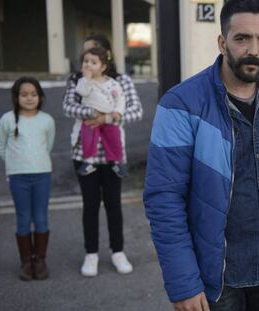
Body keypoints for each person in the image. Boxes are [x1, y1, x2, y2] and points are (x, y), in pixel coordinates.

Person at [143, 0, 259, 310]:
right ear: (222, 42)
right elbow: (164, 199)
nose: (254, 49)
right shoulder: (181, 104)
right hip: (216, 279)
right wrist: (184, 283)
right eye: (242, 38)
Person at [63, 34, 143, 277]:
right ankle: (91, 255)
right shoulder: (77, 81)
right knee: (90, 205)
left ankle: (118, 252)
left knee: (113, 204)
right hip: (83, 152)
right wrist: (91, 111)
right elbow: (68, 107)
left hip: (113, 154)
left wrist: (106, 117)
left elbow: (136, 110)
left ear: (106, 57)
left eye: (94, 55)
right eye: (85, 56)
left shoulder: (121, 81)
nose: (88, 63)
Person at [0, 77, 55, 281]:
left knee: (40, 218)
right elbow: (0, 146)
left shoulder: (47, 120)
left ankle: (40, 260)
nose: (29, 98)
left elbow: (49, 145)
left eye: (33, 94)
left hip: (42, 175)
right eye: (24, 94)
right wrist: (15, 163)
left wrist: (35, 161)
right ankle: (26, 262)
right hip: (18, 177)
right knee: (23, 219)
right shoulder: (7, 120)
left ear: (40, 97)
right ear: (16, 97)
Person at [75, 46, 127, 177]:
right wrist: (86, 79)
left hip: (108, 116)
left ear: (103, 67)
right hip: (91, 117)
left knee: (114, 137)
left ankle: (117, 161)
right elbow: (82, 92)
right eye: (86, 61)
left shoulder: (112, 83)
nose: (88, 65)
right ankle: (88, 161)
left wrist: (118, 112)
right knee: (88, 138)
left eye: (93, 62)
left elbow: (120, 98)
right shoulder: (83, 81)